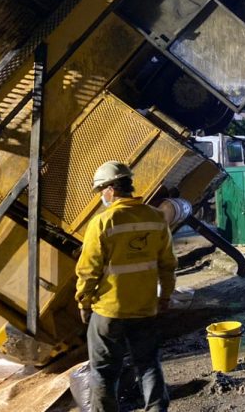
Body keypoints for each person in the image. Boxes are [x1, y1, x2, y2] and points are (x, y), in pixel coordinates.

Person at [76, 161, 177, 412]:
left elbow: (88, 269)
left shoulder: (103, 222)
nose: (101, 196)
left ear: (110, 189)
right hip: (144, 308)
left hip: (109, 312)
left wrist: (84, 301)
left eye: (101, 191)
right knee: (149, 364)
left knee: (103, 372)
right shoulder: (155, 218)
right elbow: (167, 264)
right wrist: (164, 296)